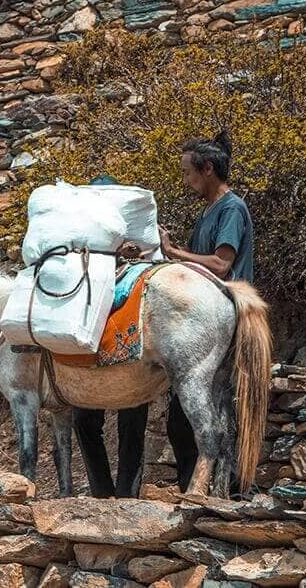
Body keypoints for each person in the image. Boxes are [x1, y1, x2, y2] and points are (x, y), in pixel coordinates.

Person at [157, 129, 255, 492]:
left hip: (225, 317)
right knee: (184, 420)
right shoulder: (211, 211)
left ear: (208, 168)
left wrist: (175, 254)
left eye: (188, 172)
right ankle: (198, 489)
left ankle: (218, 490)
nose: (187, 181)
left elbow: (220, 264)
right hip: (208, 319)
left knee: (207, 412)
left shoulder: (231, 209)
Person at [71, 174, 151, 498]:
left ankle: (127, 495)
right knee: (86, 421)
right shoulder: (78, 243)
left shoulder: (133, 246)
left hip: (126, 341)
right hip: (94, 345)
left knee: (130, 420)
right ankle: (103, 493)